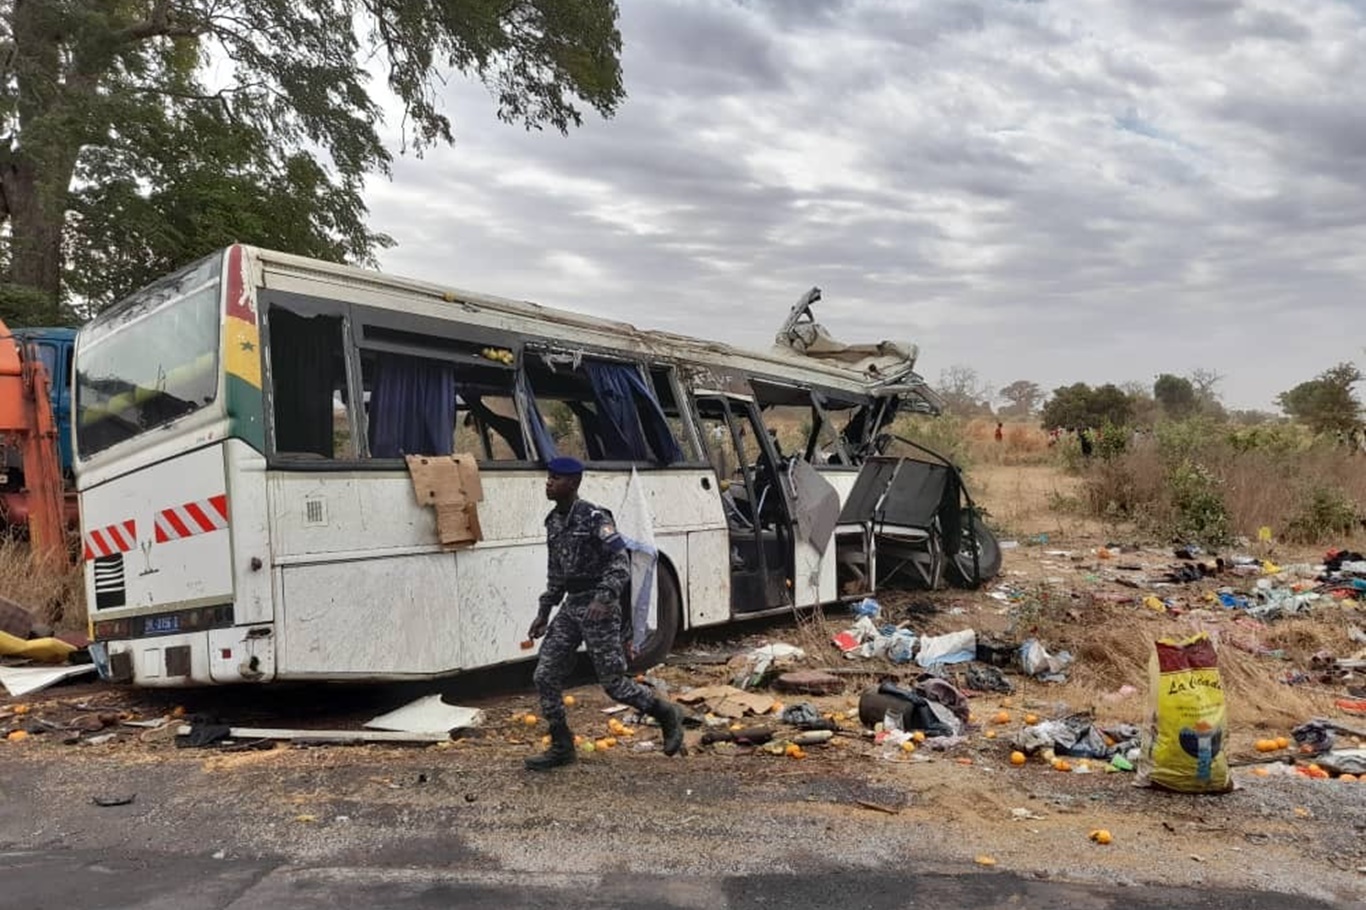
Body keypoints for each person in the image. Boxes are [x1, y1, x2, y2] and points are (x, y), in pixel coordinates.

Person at [524, 456, 685, 770]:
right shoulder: (553, 523)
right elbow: (556, 574)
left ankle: (666, 712)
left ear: (573, 483)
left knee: (613, 683)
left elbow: (620, 564)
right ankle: (561, 746)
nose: (549, 483)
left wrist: (605, 597)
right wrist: (544, 612)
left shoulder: (596, 518)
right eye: (548, 477)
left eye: (555, 478)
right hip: (573, 605)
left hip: (601, 608)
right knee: (544, 674)